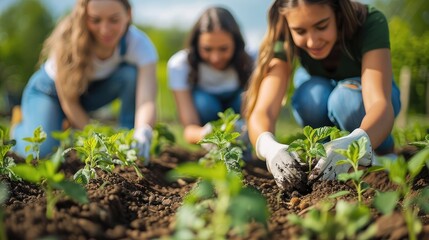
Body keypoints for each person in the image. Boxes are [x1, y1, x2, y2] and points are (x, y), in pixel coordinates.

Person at [243, 0, 401, 190]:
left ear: (338, 13)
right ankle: (326, 162)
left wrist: (358, 142)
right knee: (310, 98)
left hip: (365, 100)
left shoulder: (369, 22)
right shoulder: (283, 36)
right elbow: (263, 109)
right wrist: (270, 148)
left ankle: (381, 151)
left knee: (345, 100)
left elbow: (379, 104)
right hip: (322, 95)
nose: (312, 41)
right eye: (300, 32)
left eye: (322, 26)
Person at [12, 0, 158, 163]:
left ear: (128, 15)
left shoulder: (139, 45)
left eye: (114, 20)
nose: (105, 30)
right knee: (40, 153)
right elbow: (70, 102)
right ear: (84, 17)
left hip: (88, 94)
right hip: (49, 92)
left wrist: (143, 130)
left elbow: (146, 99)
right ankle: (19, 128)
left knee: (130, 75)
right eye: (95, 20)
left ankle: (129, 138)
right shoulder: (69, 40)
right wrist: (101, 144)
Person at [167, 6, 254, 145]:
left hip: (239, 111)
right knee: (204, 103)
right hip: (206, 113)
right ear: (196, 45)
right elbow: (189, 128)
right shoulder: (180, 64)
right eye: (207, 49)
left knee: (241, 98)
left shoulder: (251, 60)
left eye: (223, 49)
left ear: (236, 44)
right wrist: (205, 135)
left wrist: (247, 131)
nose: (215, 58)